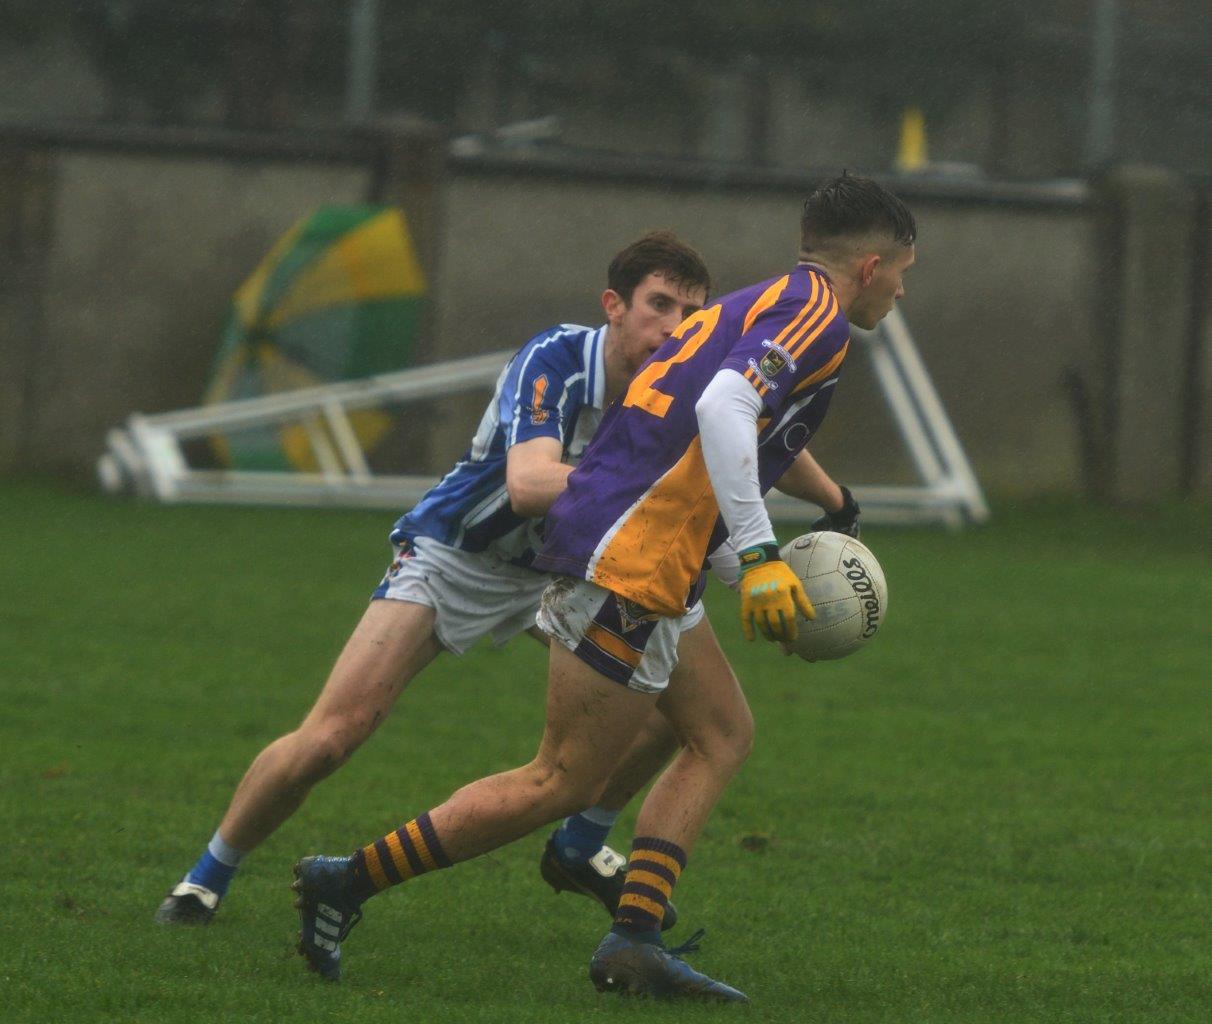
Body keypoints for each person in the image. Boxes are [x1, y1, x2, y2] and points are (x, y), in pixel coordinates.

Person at [291, 173, 911, 1002]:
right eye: (905, 272)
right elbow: (725, 409)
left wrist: (732, 566)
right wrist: (762, 559)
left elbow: (675, 443)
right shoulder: (816, 315)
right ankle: (346, 881)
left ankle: (635, 939)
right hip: (627, 561)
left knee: (721, 732)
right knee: (560, 780)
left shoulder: (762, 301)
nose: (903, 290)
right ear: (869, 266)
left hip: (639, 546)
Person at [154, 232, 713, 926]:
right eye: (659, 305)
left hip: (568, 569)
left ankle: (581, 840)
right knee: (333, 735)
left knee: (679, 710)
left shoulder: (683, 384)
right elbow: (530, 482)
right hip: (460, 555)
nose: (675, 327)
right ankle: (206, 877)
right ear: (614, 307)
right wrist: (648, 486)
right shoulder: (558, 358)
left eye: (692, 313)